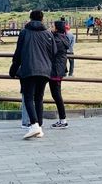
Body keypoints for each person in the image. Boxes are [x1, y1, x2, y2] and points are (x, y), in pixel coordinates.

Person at [9, 9, 55, 140]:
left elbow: (18, 53)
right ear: (42, 19)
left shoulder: (24, 33)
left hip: (29, 69)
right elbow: (53, 53)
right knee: (39, 98)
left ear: (30, 18)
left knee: (28, 97)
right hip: (45, 70)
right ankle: (39, 126)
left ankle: (34, 124)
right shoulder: (48, 34)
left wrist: (13, 69)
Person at [49, 20, 71, 129]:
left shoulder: (56, 40)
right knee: (56, 95)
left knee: (56, 95)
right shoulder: (63, 38)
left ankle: (63, 120)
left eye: (52, 26)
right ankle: (62, 120)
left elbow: (50, 52)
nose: (51, 27)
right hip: (59, 68)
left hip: (55, 70)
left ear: (56, 28)